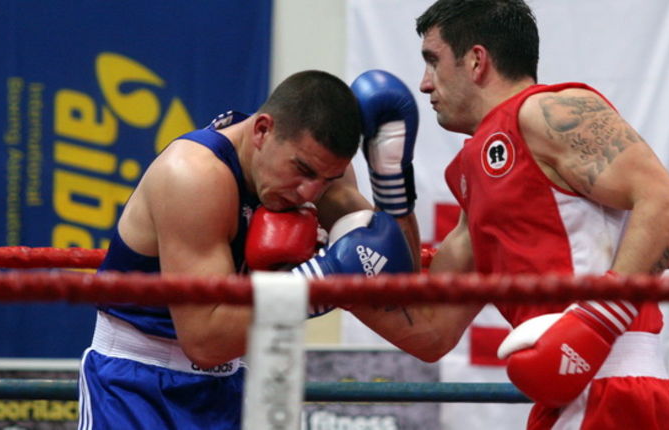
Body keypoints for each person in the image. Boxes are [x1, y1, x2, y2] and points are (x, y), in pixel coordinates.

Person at [347, 1, 669, 429]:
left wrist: (596, 325)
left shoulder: (553, 111)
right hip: (567, 398)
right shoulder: (474, 177)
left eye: (433, 61)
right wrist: (334, 279)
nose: (424, 85)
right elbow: (431, 332)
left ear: (476, 61)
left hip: (617, 387)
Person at [77, 69, 420, 429]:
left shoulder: (319, 175)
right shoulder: (193, 175)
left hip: (230, 383)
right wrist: (318, 284)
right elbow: (204, 342)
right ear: (262, 130)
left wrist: (391, 185)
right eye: (302, 170)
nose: (310, 193)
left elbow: (402, 282)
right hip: (138, 385)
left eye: (326, 180)